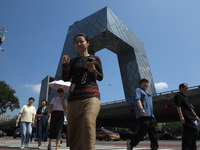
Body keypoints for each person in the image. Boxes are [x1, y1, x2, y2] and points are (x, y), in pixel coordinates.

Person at [62, 33, 103, 150]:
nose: (79, 44)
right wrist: (65, 66)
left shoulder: (95, 59)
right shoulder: (73, 61)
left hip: (91, 96)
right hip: (74, 98)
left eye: (81, 41)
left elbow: (100, 77)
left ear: (88, 43)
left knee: (88, 122)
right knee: (73, 129)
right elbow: (65, 78)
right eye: (76, 42)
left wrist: (93, 70)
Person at [127, 78, 158, 150]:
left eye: (147, 83)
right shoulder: (138, 90)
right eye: (144, 83)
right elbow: (137, 99)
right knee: (142, 133)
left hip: (151, 116)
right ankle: (131, 144)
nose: (145, 84)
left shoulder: (148, 94)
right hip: (143, 115)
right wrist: (141, 109)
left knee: (154, 133)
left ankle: (154, 148)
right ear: (140, 84)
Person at [174, 83, 200, 150]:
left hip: (190, 116)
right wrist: (181, 116)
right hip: (186, 116)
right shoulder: (177, 96)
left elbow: (191, 108)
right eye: (186, 88)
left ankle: (185, 148)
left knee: (186, 133)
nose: (187, 90)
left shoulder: (185, 97)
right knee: (195, 130)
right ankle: (192, 147)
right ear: (181, 88)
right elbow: (178, 106)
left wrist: (196, 116)